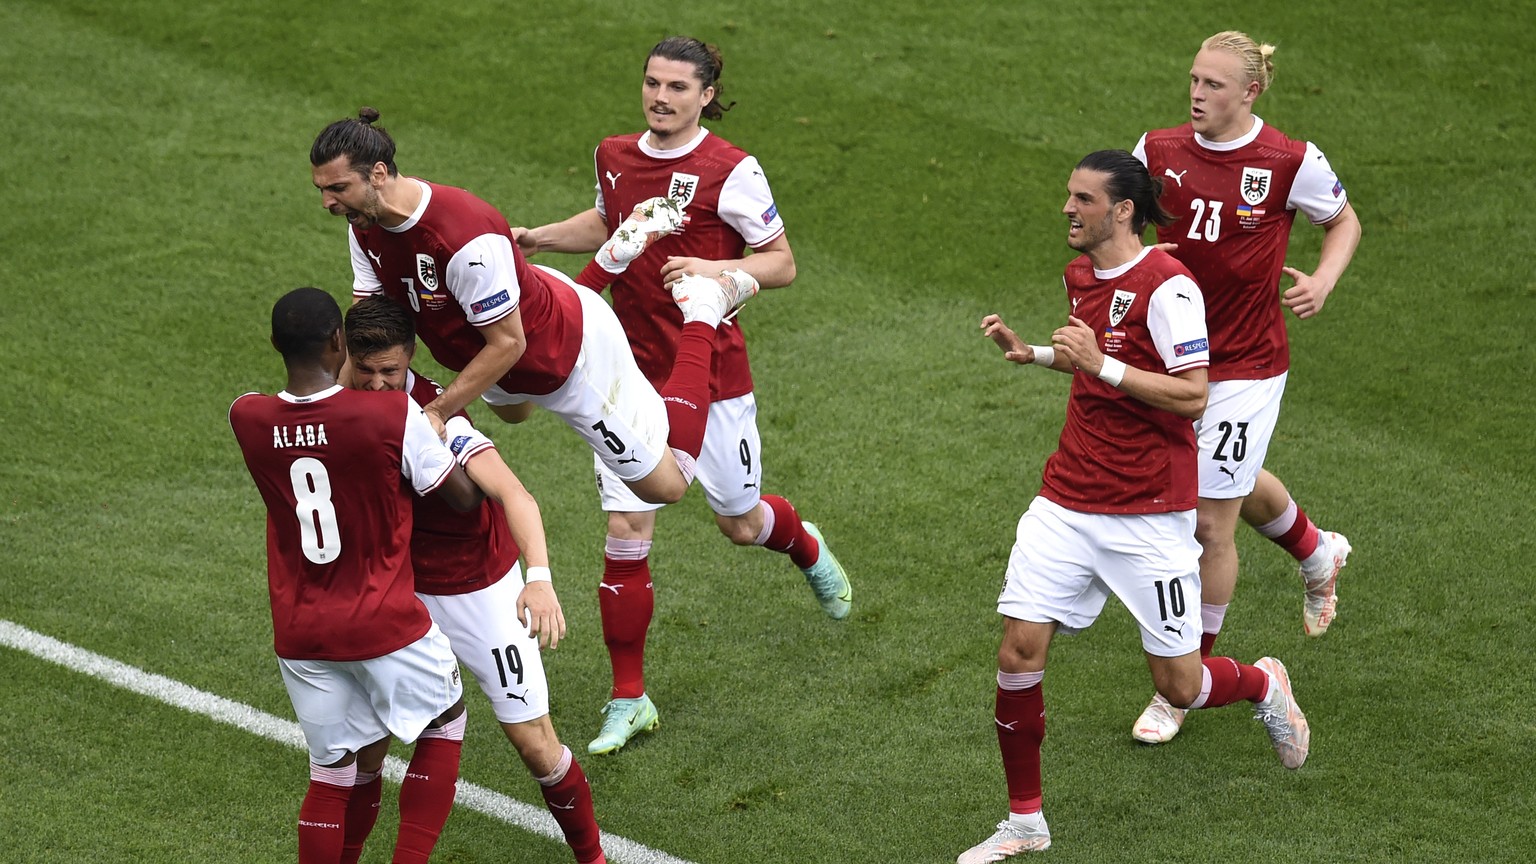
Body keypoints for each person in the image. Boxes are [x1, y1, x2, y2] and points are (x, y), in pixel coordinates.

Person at [958, 152, 1309, 862]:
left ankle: (1262, 681)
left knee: (1180, 683)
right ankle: (1025, 821)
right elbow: (1094, 355)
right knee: (1018, 651)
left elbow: (1193, 395)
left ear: (1122, 210)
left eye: (1082, 198)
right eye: (1068, 195)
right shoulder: (1081, 274)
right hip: (1066, 498)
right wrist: (1036, 354)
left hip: (1148, 512)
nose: (1067, 208)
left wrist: (1099, 365)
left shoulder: (1170, 288)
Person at [512, 35, 853, 756]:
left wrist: (714, 267)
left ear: (706, 95)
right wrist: (539, 237)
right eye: (651, 83)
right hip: (625, 376)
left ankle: (804, 544)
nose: (660, 98)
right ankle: (629, 698)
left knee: (739, 521)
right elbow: (607, 223)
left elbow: (783, 263)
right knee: (627, 534)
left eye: (676, 88)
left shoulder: (731, 170)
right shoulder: (615, 153)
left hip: (713, 373)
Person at [309, 107, 751, 513]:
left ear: (379, 174)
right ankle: (613, 256)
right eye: (322, 190)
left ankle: (703, 312)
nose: (328, 203)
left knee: (666, 486)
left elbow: (510, 343)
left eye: (338, 188)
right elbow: (371, 330)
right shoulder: (364, 223)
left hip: (570, 358)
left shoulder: (462, 238)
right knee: (514, 412)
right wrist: (335, 408)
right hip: (507, 329)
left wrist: (437, 412)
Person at [1128, 30, 1363, 745]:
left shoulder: (1290, 161)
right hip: (1170, 361)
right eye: (1194, 80)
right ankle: (1316, 549)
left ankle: (1183, 684)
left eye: (1214, 86)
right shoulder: (1157, 150)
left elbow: (1343, 220)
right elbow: (1121, 222)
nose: (1197, 95)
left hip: (1246, 368)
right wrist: (1140, 251)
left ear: (1250, 92)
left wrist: (1323, 279)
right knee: (1225, 479)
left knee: (1207, 521)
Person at [343, 296, 604, 864]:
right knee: (367, 743)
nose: (380, 384)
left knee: (535, 744)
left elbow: (514, 494)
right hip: (402, 593)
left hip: (478, 591)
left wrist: (538, 579)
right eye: (367, 373)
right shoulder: (343, 402)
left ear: (409, 359)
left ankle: (593, 857)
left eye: (391, 371)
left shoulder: (437, 415)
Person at [228, 287, 473, 864]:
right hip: (385, 622)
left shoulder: (247, 416)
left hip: (302, 633)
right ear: (340, 342)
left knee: (332, 770)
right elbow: (461, 499)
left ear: (274, 345)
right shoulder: (391, 413)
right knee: (445, 724)